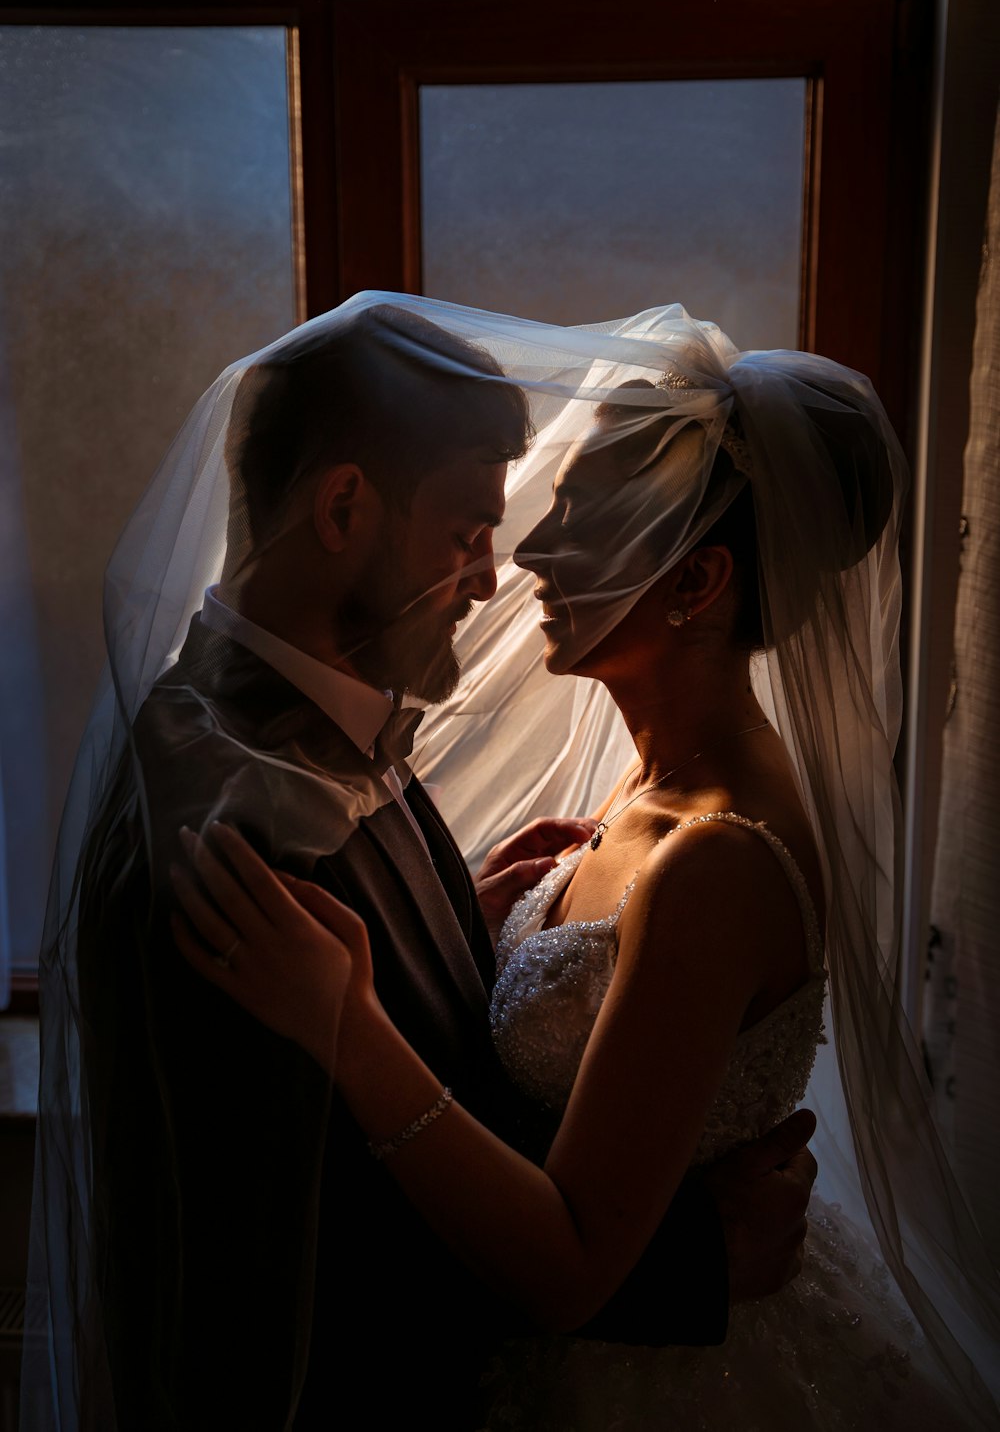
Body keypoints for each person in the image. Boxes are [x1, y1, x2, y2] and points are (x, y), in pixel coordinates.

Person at [172, 301, 1000, 1429]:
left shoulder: (713, 860)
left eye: (577, 514)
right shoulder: (647, 781)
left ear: (696, 584)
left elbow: (570, 1261)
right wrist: (480, 925)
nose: (528, 552)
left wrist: (351, 1026)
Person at [22, 299, 818, 1432]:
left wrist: (471, 935)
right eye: (465, 531)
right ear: (344, 505)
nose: (494, 577)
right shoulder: (234, 820)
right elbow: (301, 1252)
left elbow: (404, 1065)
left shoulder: (307, 731)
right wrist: (684, 1257)